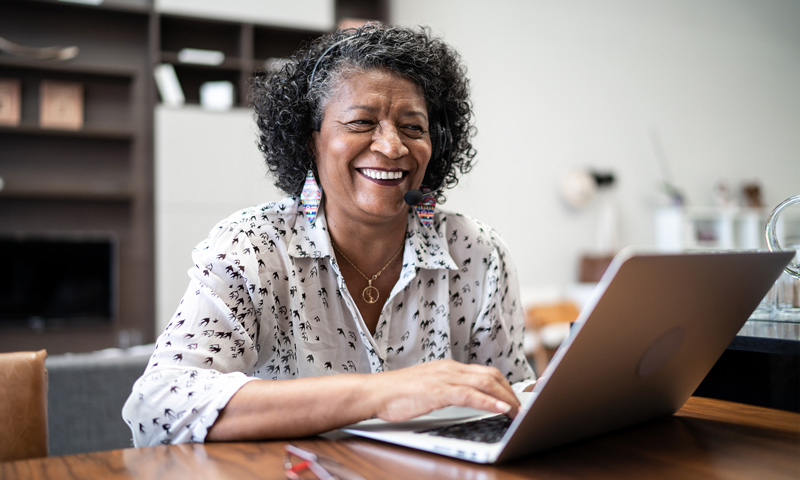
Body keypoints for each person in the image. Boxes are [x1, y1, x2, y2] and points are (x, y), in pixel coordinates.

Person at [122, 23, 535, 446]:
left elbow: (512, 401)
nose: (392, 147)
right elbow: (157, 408)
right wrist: (380, 393)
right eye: (361, 122)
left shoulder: (477, 253)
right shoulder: (250, 247)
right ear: (309, 142)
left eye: (413, 128)